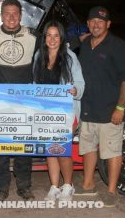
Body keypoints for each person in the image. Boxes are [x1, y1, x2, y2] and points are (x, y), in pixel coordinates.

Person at [0, 0, 39, 201]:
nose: (11, 17)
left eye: (15, 13)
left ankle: (24, 185)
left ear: (21, 15)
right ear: (1, 15)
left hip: (25, 100)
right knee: (0, 145)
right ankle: (1, 187)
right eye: (7, 13)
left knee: (24, 145)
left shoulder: (34, 36)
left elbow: (53, 52)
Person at [75, 6, 125, 207]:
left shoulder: (118, 47)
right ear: (88, 24)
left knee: (112, 151)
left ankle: (111, 190)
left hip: (110, 111)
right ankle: (88, 183)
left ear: (108, 24)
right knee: (88, 148)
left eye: (100, 21)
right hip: (87, 108)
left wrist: (120, 108)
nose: (96, 24)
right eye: (92, 21)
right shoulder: (84, 44)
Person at [33, 20, 85, 201]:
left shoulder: (70, 57)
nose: (52, 39)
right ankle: (54, 187)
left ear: (61, 38)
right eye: (49, 35)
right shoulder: (39, 55)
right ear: (44, 37)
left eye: (56, 36)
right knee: (50, 150)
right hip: (46, 112)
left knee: (61, 149)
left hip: (66, 112)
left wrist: (75, 90)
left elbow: (80, 84)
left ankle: (68, 186)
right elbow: (35, 83)